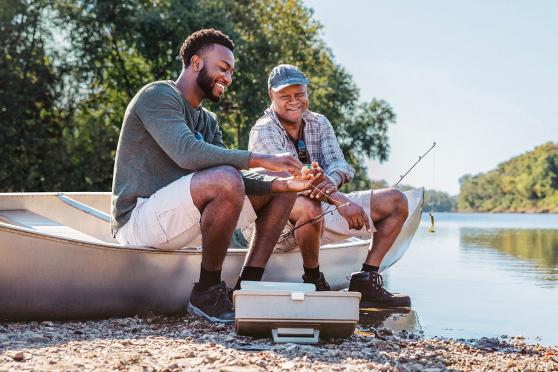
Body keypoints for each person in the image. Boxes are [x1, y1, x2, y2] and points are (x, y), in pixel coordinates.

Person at [110, 31, 322, 324]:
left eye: (232, 71)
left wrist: (285, 184)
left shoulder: (208, 120)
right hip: (139, 222)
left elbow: (237, 177)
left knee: (280, 190)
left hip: (182, 222)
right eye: (222, 68)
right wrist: (264, 159)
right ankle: (207, 291)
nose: (229, 78)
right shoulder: (158, 95)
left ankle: (248, 288)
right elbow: (187, 152)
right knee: (225, 178)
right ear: (196, 63)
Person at [246, 64, 411, 307]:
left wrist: (330, 183)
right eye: (285, 96)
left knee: (396, 200)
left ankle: (366, 279)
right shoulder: (263, 129)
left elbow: (340, 166)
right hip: (274, 224)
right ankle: (313, 279)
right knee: (307, 204)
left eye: (299, 94)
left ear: (307, 92)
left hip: (322, 205)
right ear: (271, 95)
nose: (294, 101)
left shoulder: (319, 123)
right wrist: (340, 200)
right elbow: (294, 181)